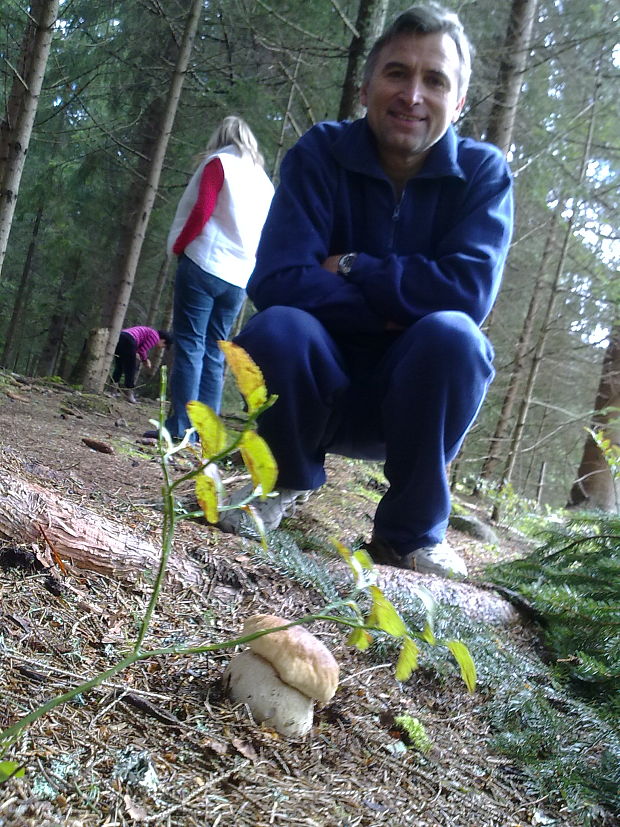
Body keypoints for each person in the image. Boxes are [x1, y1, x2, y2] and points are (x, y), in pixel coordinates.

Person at [219, 4, 514, 579]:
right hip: (311, 386)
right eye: (397, 73)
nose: (413, 94)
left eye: (435, 80)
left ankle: (409, 534)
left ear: (458, 103)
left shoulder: (483, 174)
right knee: (278, 325)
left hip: (414, 403)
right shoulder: (320, 154)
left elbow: (468, 293)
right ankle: (278, 483)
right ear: (366, 87)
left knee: (454, 337)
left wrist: (354, 266)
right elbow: (276, 279)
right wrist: (392, 314)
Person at [162, 115, 274, 440]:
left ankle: (181, 426)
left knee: (190, 344)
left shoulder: (219, 163)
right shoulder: (264, 183)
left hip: (203, 262)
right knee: (214, 350)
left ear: (222, 137)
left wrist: (181, 245)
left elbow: (202, 209)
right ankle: (207, 434)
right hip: (237, 276)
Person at [113, 326, 172, 403]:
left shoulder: (150, 332)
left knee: (119, 365)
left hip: (121, 336)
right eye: (164, 346)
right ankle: (129, 393)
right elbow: (142, 351)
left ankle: (113, 389)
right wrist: (146, 360)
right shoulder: (155, 337)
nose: (162, 348)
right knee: (131, 368)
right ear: (163, 340)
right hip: (129, 339)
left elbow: (139, 349)